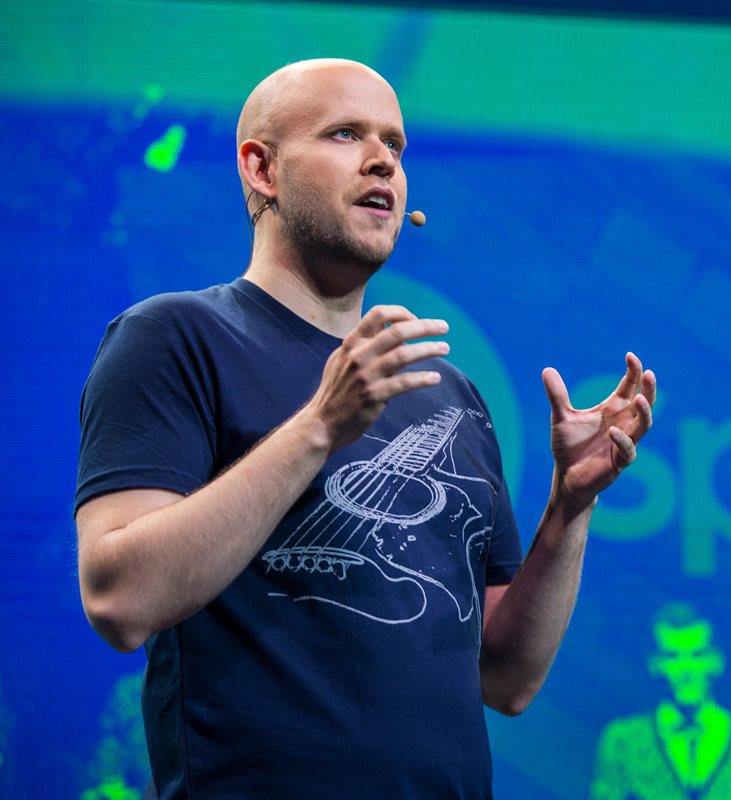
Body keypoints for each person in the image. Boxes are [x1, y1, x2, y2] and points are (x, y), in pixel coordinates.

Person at [74, 58, 655, 799]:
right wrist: (321, 424)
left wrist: (571, 506)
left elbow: (507, 678)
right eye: (346, 134)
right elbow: (120, 600)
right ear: (262, 169)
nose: (383, 159)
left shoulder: (450, 393)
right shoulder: (175, 337)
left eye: (396, 143)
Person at [591, 602, 731, 799]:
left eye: (697, 654)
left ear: (716, 660)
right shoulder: (622, 742)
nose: (686, 670)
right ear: (654, 664)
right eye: (672, 656)